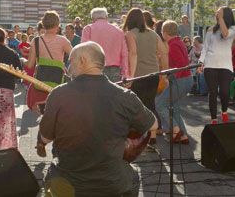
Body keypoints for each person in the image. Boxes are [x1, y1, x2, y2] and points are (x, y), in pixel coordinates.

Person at [38, 42, 158, 196]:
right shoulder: (124, 96)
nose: (68, 68)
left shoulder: (58, 94)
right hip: (112, 181)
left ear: (82, 61)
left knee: (53, 172)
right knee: (132, 176)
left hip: (69, 181)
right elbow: (153, 125)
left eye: (71, 62)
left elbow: (46, 138)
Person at [123, 8, 168, 151]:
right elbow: (164, 52)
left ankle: (136, 142)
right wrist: (165, 73)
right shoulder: (153, 34)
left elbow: (134, 54)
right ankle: (152, 140)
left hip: (139, 76)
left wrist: (131, 77)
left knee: (135, 108)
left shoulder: (131, 34)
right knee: (150, 106)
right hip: (153, 75)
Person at [22, 11, 73, 113]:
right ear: (57, 25)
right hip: (58, 83)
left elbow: (30, 64)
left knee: (45, 115)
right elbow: (75, 56)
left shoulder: (36, 41)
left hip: (41, 84)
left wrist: (22, 60)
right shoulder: (63, 40)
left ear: (43, 25)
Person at [199, 7, 235, 124]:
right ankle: (214, 118)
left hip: (225, 65)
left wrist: (220, 18)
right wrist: (201, 62)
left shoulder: (233, 28)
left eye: (219, 13)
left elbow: (225, 34)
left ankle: (224, 111)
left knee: (225, 92)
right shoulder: (211, 29)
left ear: (225, 15)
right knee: (213, 92)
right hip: (210, 64)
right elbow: (205, 47)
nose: (216, 14)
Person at [156, 21, 192, 144]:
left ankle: (175, 130)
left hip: (181, 80)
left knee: (160, 104)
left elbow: (181, 65)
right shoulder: (179, 42)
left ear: (165, 33)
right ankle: (183, 136)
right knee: (174, 107)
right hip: (187, 79)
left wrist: (169, 78)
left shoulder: (173, 44)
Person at [80, 7, 130, 82]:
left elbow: (84, 50)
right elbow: (124, 53)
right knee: (113, 93)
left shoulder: (88, 29)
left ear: (92, 19)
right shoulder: (119, 31)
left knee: (96, 93)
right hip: (115, 70)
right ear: (107, 18)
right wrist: (126, 73)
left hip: (95, 68)